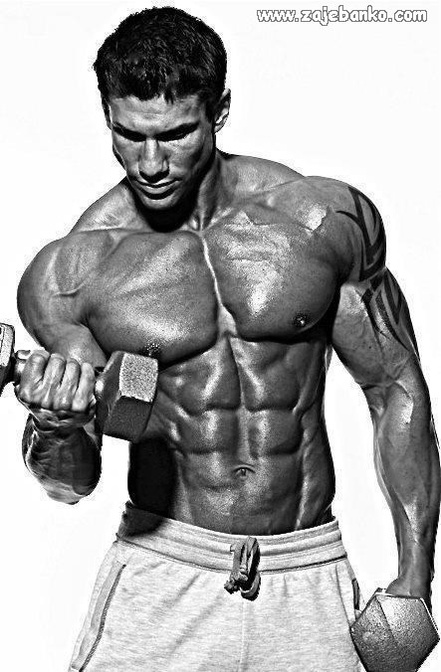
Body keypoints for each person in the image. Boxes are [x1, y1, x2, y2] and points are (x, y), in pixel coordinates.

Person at [15, 6, 440, 672]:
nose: (150, 163)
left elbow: (393, 388)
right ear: (106, 117)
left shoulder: (318, 222)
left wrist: (415, 577)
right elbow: (71, 483)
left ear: (220, 111)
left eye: (176, 134)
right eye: (128, 135)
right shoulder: (73, 274)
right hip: (164, 572)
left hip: (305, 570)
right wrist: (56, 425)